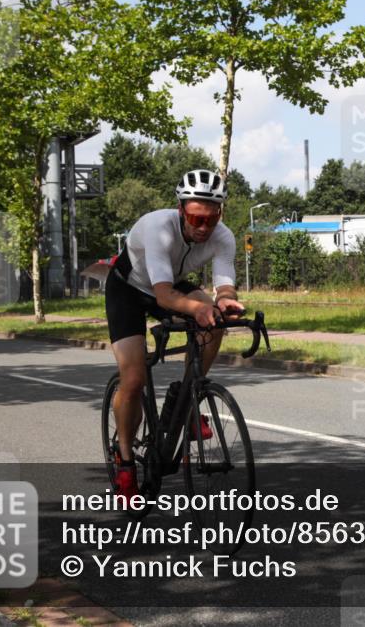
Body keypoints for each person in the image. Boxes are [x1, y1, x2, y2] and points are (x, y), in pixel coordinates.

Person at [105, 169, 245, 500]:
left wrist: (225, 301)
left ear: (220, 213)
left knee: (213, 321)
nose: (204, 227)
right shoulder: (159, 228)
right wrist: (199, 309)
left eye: (211, 219)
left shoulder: (223, 236)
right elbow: (165, 296)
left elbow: (225, 284)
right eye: (196, 218)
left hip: (170, 283)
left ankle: (187, 399)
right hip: (129, 289)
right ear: (181, 210)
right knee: (134, 379)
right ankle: (125, 462)